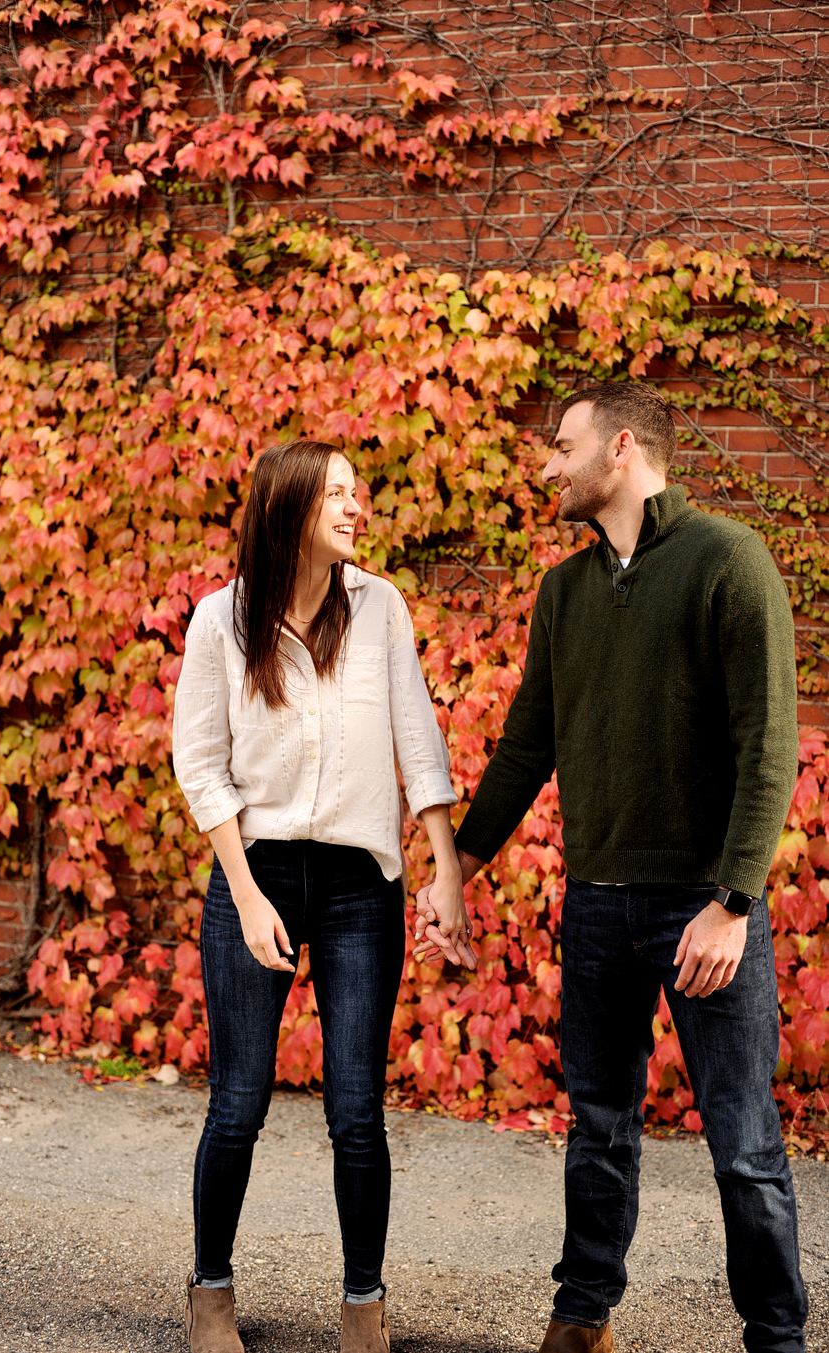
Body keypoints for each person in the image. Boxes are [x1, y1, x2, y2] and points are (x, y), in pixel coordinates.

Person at [415, 384, 809, 1353]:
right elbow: (523, 749)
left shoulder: (727, 560)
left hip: (702, 906)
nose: (547, 465)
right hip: (596, 903)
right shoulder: (566, 591)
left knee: (744, 1145)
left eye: (562, 447)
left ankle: (777, 1337)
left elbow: (769, 746)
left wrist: (731, 903)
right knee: (597, 1127)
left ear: (621, 449)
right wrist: (456, 865)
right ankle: (584, 1316)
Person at [172, 439, 475, 1353]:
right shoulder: (219, 622)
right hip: (251, 873)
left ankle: (363, 1305)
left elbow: (417, 739)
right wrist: (246, 890)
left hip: (358, 887)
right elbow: (201, 764)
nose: (356, 505)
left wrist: (446, 870)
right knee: (238, 1101)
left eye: (357, 490)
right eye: (336, 492)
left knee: (356, 1108)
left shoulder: (381, 609)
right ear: (290, 507)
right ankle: (211, 1290)